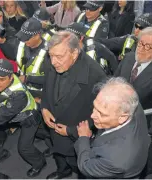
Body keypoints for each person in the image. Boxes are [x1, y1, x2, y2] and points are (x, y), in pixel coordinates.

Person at [41, 31, 106, 179]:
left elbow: (103, 115)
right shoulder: (54, 60)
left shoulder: (96, 76)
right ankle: (63, 171)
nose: (53, 62)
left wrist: (71, 131)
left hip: (75, 136)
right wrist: (44, 107)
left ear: (75, 53)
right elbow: (46, 87)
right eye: (51, 55)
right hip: (54, 129)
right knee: (59, 154)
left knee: (80, 165)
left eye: (59, 57)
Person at [114, 27, 152, 177]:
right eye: (140, 43)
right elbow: (114, 82)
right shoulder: (128, 58)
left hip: (138, 125)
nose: (141, 49)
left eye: (148, 46)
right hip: (115, 118)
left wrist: (149, 135)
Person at [75, 77, 150, 178]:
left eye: (102, 114)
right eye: (95, 107)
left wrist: (83, 138)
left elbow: (85, 166)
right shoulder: (130, 103)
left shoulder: (116, 161)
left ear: (122, 118)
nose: (92, 115)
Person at [0, 18, 51, 100]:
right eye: (22, 36)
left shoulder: (50, 53)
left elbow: (51, 79)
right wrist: (2, 42)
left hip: (38, 96)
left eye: (27, 38)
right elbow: (11, 55)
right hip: (20, 90)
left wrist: (28, 78)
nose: (24, 40)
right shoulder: (21, 43)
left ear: (37, 35)